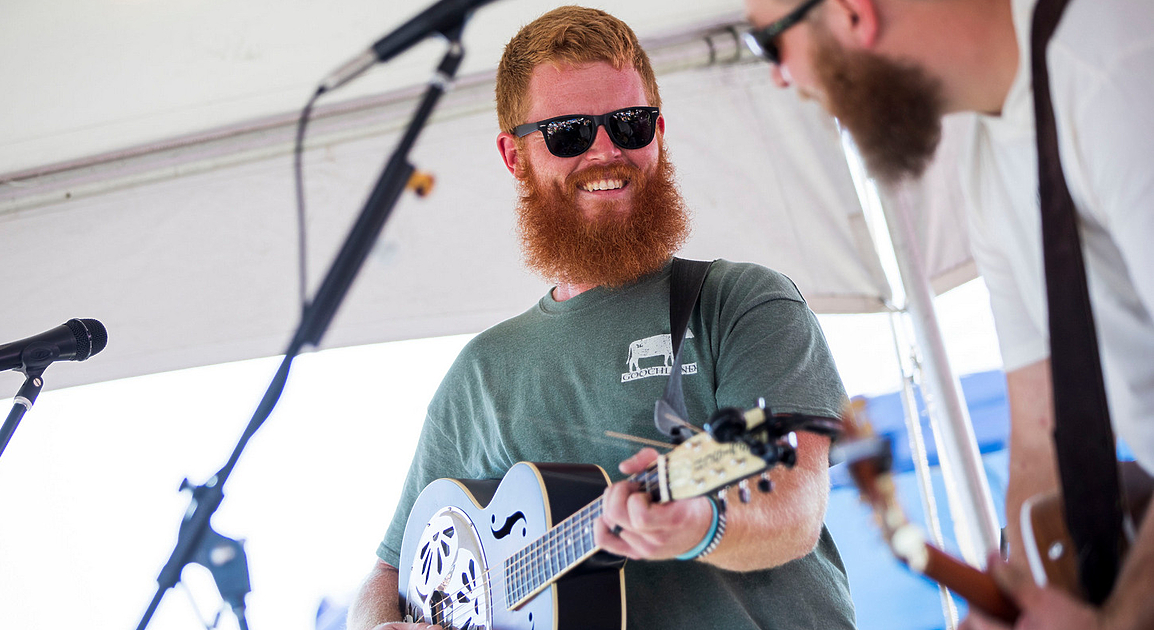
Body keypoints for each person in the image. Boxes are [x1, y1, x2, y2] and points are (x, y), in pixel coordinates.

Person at [347, 6, 858, 630]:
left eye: (630, 124)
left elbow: (792, 509)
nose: (606, 151)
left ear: (659, 132)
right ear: (515, 156)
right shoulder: (479, 375)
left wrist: (701, 524)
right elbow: (387, 576)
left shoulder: (741, 303)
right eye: (568, 133)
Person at [738, 0, 1154, 628]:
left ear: (854, 14)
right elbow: (1040, 435)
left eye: (770, 44)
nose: (779, 77)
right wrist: (1020, 591)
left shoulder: (1117, 68)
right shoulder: (989, 162)